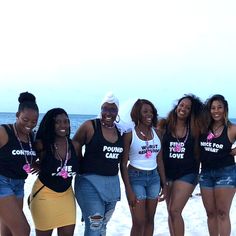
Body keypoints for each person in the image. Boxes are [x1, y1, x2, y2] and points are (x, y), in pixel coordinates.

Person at [73, 92, 124, 236]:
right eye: (104, 108)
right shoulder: (90, 126)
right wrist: (79, 163)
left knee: (102, 226)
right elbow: (75, 142)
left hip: (112, 185)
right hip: (89, 182)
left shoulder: (121, 130)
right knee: (95, 225)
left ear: (117, 111)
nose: (108, 112)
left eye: (112, 109)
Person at [157, 94, 205, 236]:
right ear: (177, 106)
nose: (183, 109)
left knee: (175, 210)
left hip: (188, 173)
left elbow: (213, 140)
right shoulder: (164, 125)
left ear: (192, 111)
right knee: (170, 212)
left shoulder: (196, 128)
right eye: (181, 105)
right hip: (168, 172)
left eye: (188, 107)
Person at [29, 108, 80, 236]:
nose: (63, 125)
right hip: (44, 194)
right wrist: (36, 164)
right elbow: (21, 157)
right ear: (51, 125)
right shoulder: (42, 144)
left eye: (66, 122)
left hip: (67, 195)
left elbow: (83, 166)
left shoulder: (74, 145)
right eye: (58, 122)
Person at [120, 99, 167, 236]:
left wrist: (165, 184)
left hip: (154, 178)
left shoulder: (157, 133)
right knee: (138, 221)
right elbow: (123, 164)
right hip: (136, 177)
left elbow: (160, 160)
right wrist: (128, 189)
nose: (149, 114)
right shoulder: (130, 134)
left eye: (151, 111)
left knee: (150, 220)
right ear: (137, 114)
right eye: (145, 111)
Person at [0, 92, 39, 236]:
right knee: (23, 230)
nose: (29, 124)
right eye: (25, 119)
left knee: (8, 231)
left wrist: (38, 164)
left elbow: (31, 157)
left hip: (19, 185)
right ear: (17, 115)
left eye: (34, 121)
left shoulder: (32, 137)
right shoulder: (4, 131)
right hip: (2, 183)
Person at [199, 94, 236, 236]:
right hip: (206, 174)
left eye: (219, 107)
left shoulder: (231, 128)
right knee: (210, 213)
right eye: (213, 108)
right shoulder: (203, 127)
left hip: (226, 173)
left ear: (225, 109)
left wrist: (234, 151)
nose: (216, 111)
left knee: (222, 212)